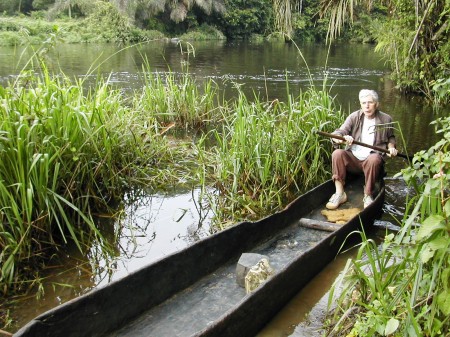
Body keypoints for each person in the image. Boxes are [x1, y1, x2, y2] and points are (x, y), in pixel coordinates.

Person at [326, 89, 398, 210]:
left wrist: (391, 148)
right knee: (337, 153)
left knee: (374, 158)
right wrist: (340, 138)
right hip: (353, 160)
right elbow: (339, 132)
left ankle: (368, 195)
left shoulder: (386, 119)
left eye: (370, 102)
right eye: (364, 103)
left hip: (372, 162)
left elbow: (391, 137)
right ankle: (340, 193)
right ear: (360, 104)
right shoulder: (354, 117)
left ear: (377, 104)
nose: (367, 106)